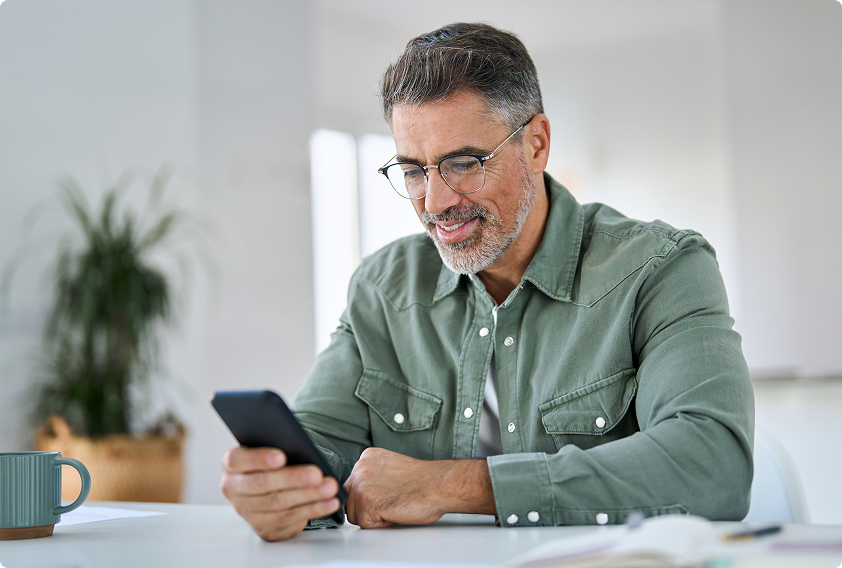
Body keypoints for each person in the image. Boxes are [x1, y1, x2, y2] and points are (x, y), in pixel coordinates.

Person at [220, 22, 754, 542]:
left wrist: (453, 485)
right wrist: (277, 491)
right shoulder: (383, 289)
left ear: (537, 145)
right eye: (413, 171)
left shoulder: (661, 269)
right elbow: (318, 450)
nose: (435, 204)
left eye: (463, 163)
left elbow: (714, 463)